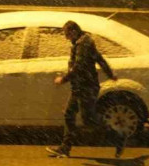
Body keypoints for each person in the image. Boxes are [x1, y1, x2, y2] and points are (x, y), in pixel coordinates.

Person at [46, 20, 126, 158]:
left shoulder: (83, 44)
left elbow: (78, 67)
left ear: (74, 31)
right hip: (80, 87)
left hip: (86, 87)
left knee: (89, 120)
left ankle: (118, 136)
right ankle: (65, 148)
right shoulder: (85, 41)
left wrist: (63, 79)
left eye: (67, 34)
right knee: (69, 114)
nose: (66, 38)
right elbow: (99, 59)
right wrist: (110, 73)